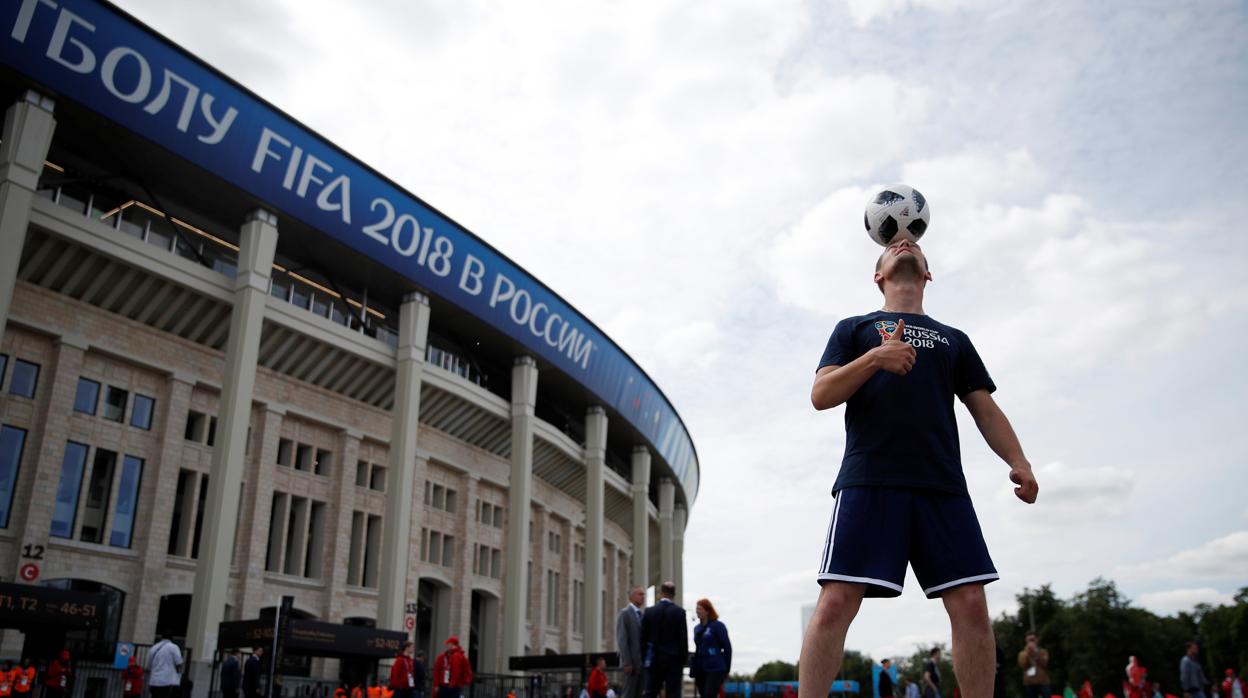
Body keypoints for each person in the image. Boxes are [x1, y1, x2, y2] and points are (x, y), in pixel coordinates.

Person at [799, 236, 1040, 698]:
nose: (904, 241)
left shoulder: (954, 339)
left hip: (941, 485)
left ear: (928, 273)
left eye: (914, 244)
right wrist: (875, 358)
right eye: (892, 245)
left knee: (971, 604)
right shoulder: (855, 328)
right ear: (878, 275)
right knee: (834, 603)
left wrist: (1019, 460)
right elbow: (821, 395)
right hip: (870, 480)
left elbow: (985, 410)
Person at [640, 581, 688, 698]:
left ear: (661, 593)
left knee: (651, 691)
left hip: (654, 659)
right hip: (673, 660)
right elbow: (683, 639)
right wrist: (682, 660)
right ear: (674, 595)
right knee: (673, 692)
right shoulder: (679, 612)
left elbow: (643, 639)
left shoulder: (649, 612)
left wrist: (644, 658)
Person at [691, 599, 732, 698]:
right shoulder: (697, 629)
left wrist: (726, 669)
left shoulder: (718, 626)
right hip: (700, 669)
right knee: (703, 694)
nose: (697, 611)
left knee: (710, 694)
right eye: (696, 609)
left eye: (700, 609)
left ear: (707, 611)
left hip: (715, 668)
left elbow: (727, 647)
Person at [616, 586, 646, 698]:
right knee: (628, 694)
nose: (643, 597)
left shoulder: (642, 615)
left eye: (643, 594)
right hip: (630, 665)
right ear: (632, 596)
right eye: (640, 594)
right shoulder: (625, 613)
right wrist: (627, 662)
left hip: (640, 664)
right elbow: (622, 639)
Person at [1019, 633, 1051, 698]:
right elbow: (1023, 665)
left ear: (1037, 640)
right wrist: (1028, 652)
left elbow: (1045, 663)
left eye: (1033, 639)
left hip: (1043, 682)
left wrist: (1036, 652)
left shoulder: (1043, 651)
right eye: (1029, 640)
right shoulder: (1022, 654)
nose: (1031, 642)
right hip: (1029, 683)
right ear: (1026, 641)